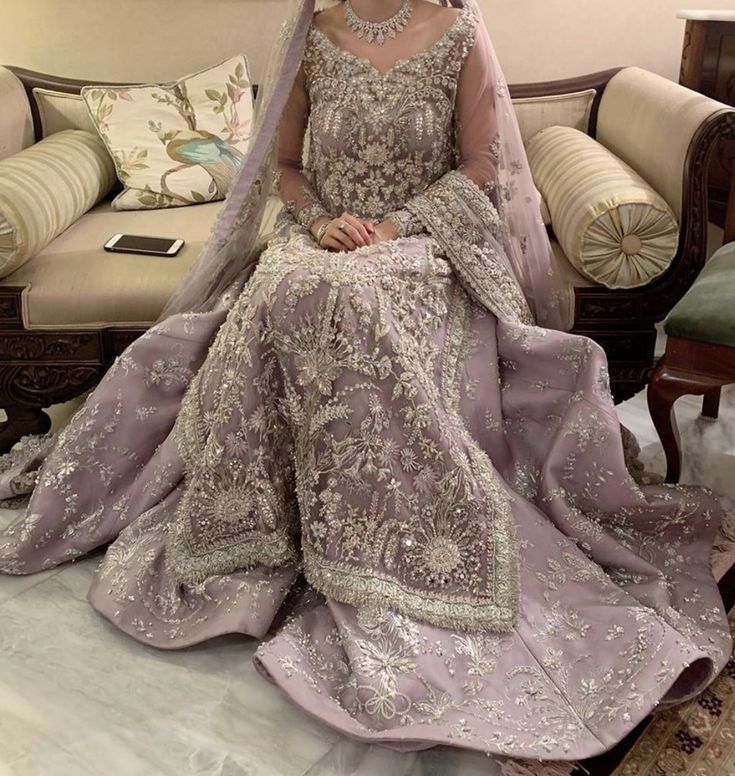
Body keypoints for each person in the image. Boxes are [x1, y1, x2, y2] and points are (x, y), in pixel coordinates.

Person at [0, 0, 730, 762]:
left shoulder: (459, 35)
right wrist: (318, 221)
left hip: (425, 243)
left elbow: (483, 166)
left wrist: (397, 225)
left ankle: (377, 541)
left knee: (351, 298)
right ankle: (268, 521)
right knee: (292, 290)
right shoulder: (311, 37)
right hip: (316, 239)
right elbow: (284, 168)